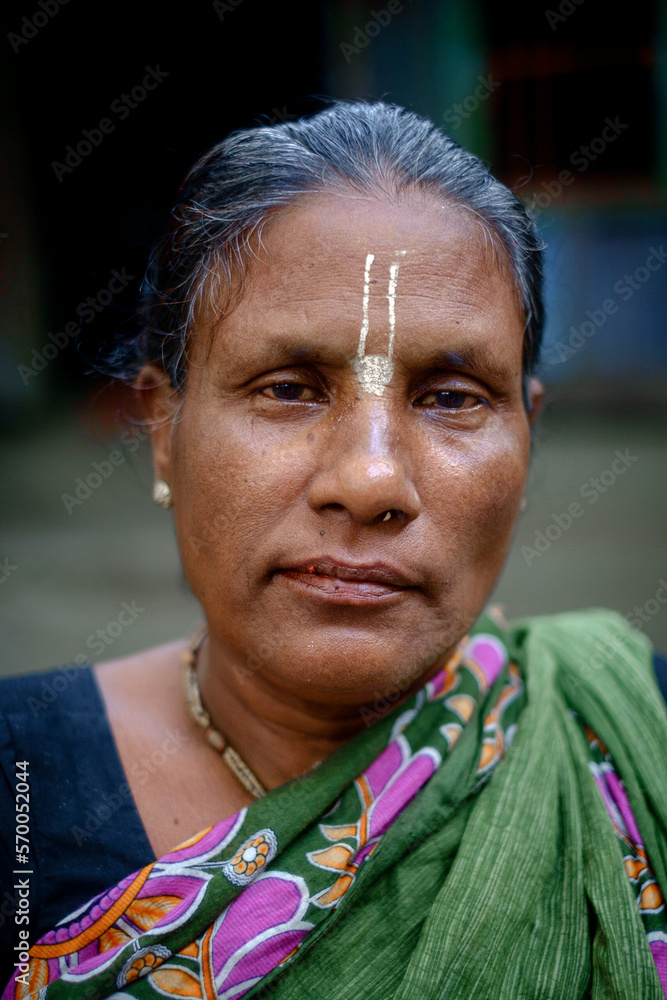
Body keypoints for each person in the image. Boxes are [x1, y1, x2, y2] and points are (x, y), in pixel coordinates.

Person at [1, 100, 666, 1000]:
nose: (371, 481)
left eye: (450, 397)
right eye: (287, 388)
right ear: (163, 428)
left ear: (528, 434)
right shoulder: (21, 779)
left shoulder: (634, 734)